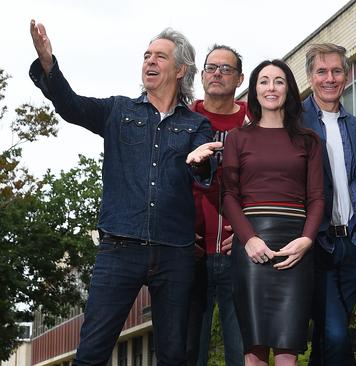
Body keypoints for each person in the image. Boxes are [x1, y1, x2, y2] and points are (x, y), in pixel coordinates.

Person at [29, 21, 221, 365]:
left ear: (180, 69)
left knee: (175, 355)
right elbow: (71, 105)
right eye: (146, 56)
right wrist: (47, 64)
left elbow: (206, 172)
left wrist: (199, 161)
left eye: (160, 57)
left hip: (174, 252)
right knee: (90, 353)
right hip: (119, 247)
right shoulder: (118, 111)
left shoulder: (196, 125)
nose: (150, 61)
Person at [222, 59, 324, 366]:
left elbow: (318, 197)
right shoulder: (238, 137)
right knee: (254, 349)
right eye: (264, 81)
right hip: (252, 246)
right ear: (254, 89)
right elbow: (228, 195)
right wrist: (249, 240)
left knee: (287, 348)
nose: (271, 87)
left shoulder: (309, 140)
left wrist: (306, 240)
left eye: (278, 81)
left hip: (296, 247)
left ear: (289, 89)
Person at [301, 43, 356, 366]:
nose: (329, 78)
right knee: (334, 334)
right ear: (309, 76)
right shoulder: (295, 122)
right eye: (321, 71)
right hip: (317, 245)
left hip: (355, 245)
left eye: (336, 71)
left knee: (330, 333)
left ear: (347, 76)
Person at [186, 44, 247, 366]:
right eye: (211, 67)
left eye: (226, 68)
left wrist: (248, 232)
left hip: (239, 254)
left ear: (239, 77)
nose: (217, 74)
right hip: (189, 253)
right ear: (201, 74)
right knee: (187, 351)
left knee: (243, 351)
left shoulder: (254, 122)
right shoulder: (183, 118)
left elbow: (265, 186)